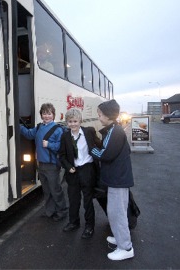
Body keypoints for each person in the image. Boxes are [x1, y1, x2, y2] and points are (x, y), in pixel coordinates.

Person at [90, 99, 135, 261]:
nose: (99, 117)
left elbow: (105, 154)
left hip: (117, 179)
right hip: (118, 178)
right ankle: (120, 238)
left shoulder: (114, 132)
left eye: (100, 114)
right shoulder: (115, 130)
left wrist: (91, 149)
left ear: (108, 116)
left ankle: (126, 247)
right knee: (115, 212)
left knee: (118, 214)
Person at [20, 103, 68, 222]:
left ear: (53, 115)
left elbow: (61, 146)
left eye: (49, 113)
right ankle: (49, 211)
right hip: (41, 164)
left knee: (55, 190)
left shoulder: (57, 129)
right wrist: (18, 125)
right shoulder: (39, 127)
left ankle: (62, 211)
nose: (47, 116)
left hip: (52, 165)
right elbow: (29, 134)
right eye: (44, 113)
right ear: (41, 115)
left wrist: (49, 145)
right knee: (46, 191)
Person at [59, 109, 101, 239]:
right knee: (73, 199)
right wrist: (68, 166)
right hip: (73, 171)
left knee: (87, 200)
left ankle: (89, 226)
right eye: (70, 122)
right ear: (67, 123)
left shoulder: (89, 132)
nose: (73, 124)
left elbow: (99, 146)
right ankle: (74, 222)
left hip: (87, 170)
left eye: (75, 121)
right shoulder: (65, 136)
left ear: (80, 121)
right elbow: (62, 155)